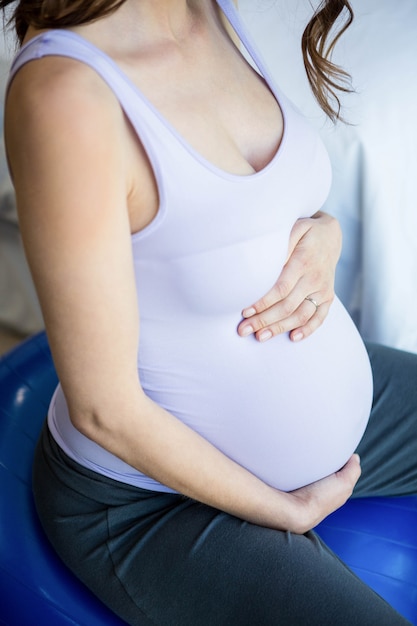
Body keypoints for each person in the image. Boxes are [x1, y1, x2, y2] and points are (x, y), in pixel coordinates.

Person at [1, 0, 416, 624]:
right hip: (148, 501)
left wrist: (323, 233)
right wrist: (285, 511)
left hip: (330, 429)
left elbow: (237, 212)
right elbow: (102, 410)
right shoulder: (66, 94)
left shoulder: (216, 12)